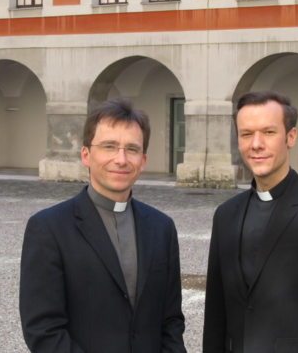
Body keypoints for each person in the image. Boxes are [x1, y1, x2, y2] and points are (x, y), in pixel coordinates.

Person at [20, 98, 186, 353]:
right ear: (86, 155)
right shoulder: (49, 229)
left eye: (131, 149)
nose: (121, 159)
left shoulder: (161, 228)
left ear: (143, 160)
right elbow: (44, 331)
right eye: (109, 146)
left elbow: (171, 320)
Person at [203, 91, 298, 353]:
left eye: (268, 132)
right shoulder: (225, 215)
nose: (256, 144)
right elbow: (216, 313)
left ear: (291, 137)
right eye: (246, 134)